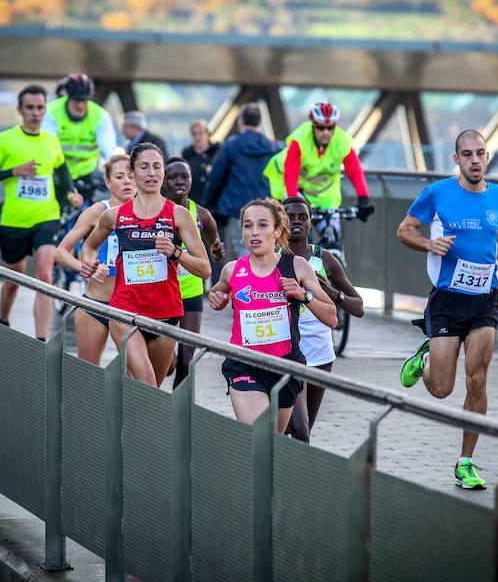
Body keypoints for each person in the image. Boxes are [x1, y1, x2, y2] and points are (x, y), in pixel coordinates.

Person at [396, 129, 498, 490]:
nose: (474, 160)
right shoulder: (438, 193)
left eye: (480, 153)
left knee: (477, 378)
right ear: (456, 159)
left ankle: (466, 463)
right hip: (447, 301)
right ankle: (425, 361)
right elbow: (404, 230)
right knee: (442, 389)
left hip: (485, 299)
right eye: (467, 154)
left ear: (487, 156)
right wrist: (429, 243)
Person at [80, 143, 210, 387]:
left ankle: (125, 420)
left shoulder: (179, 215)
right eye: (144, 167)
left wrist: (176, 253)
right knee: (147, 382)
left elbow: (205, 269)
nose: (151, 173)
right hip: (124, 312)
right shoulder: (115, 215)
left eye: (157, 167)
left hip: (167, 314)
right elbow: (88, 246)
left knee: (150, 393)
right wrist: (89, 264)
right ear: (133, 172)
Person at [209, 198, 337, 433]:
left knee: (273, 442)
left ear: (278, 231)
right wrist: (216, 297)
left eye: (262, 225)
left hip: (286, 365)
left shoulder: (297, 266)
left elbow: (332, 317)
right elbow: (218, 291)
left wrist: (302, 294)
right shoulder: (232, 269)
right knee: (258, 434)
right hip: (244, 365)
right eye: (248, 226)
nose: (254, 233)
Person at [0, 84, 83, 341]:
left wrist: (71, 192)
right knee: (14, 278)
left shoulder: (51, 140)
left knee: (45, 274)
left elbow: (61, 169)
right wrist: (14, 171)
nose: (35, 113)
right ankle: (3, 320)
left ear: (45, 110)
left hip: (46, 216)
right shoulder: (5, 139)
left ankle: (40, 340)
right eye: (30, 108)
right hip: (14, 220)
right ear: (19, 110)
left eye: (40, 108)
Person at [282, 196, 364, 443]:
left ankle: (289, 473)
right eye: (289, 217)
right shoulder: (271, 257)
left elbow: (358, 307)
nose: (296, 222)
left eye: (302, 217)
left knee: (302, 430)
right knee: (299, 428)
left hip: (320, 354)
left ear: (310, 223)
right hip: (284, 352)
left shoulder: (324, 258)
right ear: (280, 222)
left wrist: (331, 292)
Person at [54, 154, 135, 365]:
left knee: (135, 377)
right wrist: (85, 267)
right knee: (88, 375)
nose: (127, 181)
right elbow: (61, 252)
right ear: (108, 182)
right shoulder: (97, 211)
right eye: (119, 176)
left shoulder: (151, 214)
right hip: (95, 304)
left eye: (131, 175)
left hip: (132, 308)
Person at [264, 101, 374, 241]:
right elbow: (291, 173)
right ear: (313, 125)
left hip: (322, 193)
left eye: (330, 128)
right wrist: (293, 202)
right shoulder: (300, 139)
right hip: (292, 186)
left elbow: (355, 171)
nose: (326, 132)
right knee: (299, 232)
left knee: (333, 236)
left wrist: (364, 198)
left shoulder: (342, 141)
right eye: (321, 128)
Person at [161, 157, 226, 386]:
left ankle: (174, 413)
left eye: (184, 176)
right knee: (167, 365)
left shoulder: (202, 215)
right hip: (162, 293)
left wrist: (217, 251)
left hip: (191, 291)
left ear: (191, 180)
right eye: (173, 177)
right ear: (163, 181)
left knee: (187, 361)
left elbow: (214, 246)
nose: (180, 181)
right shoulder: (155, 212)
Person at [202, 103, 283, 260]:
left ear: (241, 121)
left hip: (237, 209)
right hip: (267, 207)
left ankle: (249, 284)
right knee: (267, 251)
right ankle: (266, 284)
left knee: (244, 250)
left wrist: (209, 204)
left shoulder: (230, 146)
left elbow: (216, 178)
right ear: (258, 121)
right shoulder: (273, 147)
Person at [41, 73, 118, 188]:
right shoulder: (51, 111)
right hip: (57, 172)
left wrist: (114, 172)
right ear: (68, 96)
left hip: (87, 174)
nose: (80, 105)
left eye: (84, 100)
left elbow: (108, 150)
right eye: (76, 100)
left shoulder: (100, 115)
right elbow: (47, 145)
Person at [180, 120, 220, 204]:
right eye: (194, 134)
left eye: (200, 133)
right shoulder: (187, 154)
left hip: (214, 202)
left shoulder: (217, 151)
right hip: (193, 200)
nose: (197, 137)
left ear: (207, 134)